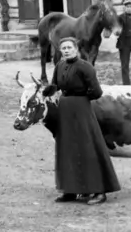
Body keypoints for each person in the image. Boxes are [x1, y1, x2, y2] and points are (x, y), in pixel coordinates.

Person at [49, 36, 121, 205]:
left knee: (88, 148)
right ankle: (70, 190)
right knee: (67, 149)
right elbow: (54, 86)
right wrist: (42, 91)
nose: (66, 50)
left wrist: (79, 99)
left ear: (76, 49)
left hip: (82, 110)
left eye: (69, 47)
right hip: (64, 111)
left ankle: (99, 191)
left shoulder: (85, 67)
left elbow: (97, 92)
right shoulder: (59, 65)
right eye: (63, 48)